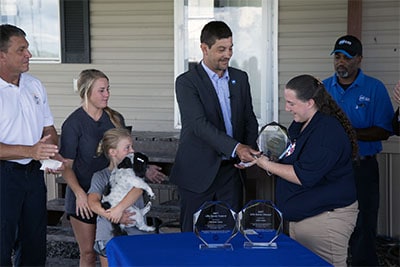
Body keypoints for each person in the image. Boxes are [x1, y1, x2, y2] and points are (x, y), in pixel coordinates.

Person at [59, 69, 166, 266]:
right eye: (101, 90)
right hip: (85, 197)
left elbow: (126, 150)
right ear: (86, 92)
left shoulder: (115, 118)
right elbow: (66, 165)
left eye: (108, 89)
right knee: (89, 253)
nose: (107, 94)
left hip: (119, 195)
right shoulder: (73, 124)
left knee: (120, 252)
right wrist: (80, 194)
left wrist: (145, 168)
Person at [251, 74, 359, 266]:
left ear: (310, 102)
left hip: (326, 220)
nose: (287, 108)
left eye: (291, 103)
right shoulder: (301, 123)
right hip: (303, 217)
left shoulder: (326, 131)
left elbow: (303, 175)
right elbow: (289, 154)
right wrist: (263, 156)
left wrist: (265, 165)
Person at [169, 21, 259, 232]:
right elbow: (199, 125)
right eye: (221, 49)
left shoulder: (240, 77)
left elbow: (249, 118)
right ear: (204, 48)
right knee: (193, 240)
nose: (227, 54)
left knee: (231, 236)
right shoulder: (186, 82)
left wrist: (249, 149)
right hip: (197, 174)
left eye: (230, 48)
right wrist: (238, 147)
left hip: (231, 172)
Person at [323, 35, 394, 266]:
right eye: (337, 57)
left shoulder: (374, 88)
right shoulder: (323, 88)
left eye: (347, 58)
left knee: (364, 221)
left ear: (360, 60)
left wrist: (348, 133)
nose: (340, 62)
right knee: (330, 218)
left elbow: (384, 130)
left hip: (363, 166)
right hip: (331, 167)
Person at [0, 24, 61, 266]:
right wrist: (31, 151)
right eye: (21, 50)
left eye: (28, 48)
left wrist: (49, 153)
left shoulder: (34, 85)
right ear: (1, 55)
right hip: (4, 177)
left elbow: (49, 128)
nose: (29, 54)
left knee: (35, 243)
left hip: (33, 174)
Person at [88, 128, 153, 267]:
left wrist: (119, 209)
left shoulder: (135, 174)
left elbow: (138, 190)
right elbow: (92, 202)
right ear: (113, 152)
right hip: (109, 235)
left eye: (132, 147)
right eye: (127, 148)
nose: (132, 151)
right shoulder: (100, 176)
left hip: (137, 235)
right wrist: (113, 215)